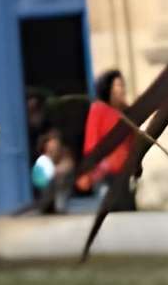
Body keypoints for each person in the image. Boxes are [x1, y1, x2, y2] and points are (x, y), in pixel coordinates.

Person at [79, 69, 140, 214]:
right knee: (112, 216)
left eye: (123, 85)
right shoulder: (98, 109)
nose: (122, 89)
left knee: (130, 214)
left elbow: (134, 143)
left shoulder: (127, 112)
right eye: (118, 85)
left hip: (125, 172)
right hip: (106, 174)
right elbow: (91, 143)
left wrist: (137, 164)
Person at [26, 127, 75, 214]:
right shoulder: (42, 158)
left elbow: (68, 165)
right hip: (44, 191)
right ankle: (45, 205)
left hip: (59, 188)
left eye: (56, 144)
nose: (53, 147)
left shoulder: (64, 153)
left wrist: (56, 170)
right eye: (51, 144)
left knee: (62, 179)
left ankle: (59, 204)